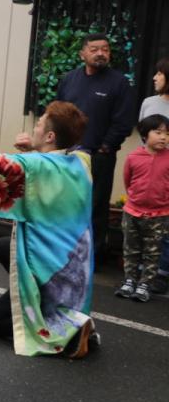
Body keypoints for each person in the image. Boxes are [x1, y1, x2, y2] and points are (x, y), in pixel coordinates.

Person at [0, 102, 96, 358]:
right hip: (77, 268)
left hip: (51, 271)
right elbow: (46, 162)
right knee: (3, 246)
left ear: (50, 136)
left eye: (39, 124)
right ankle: (35, 300)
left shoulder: (35, 166)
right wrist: (36, 148)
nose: (33, 128)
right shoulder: (81, 162)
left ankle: (68, 332)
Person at [54, 33, 136, 256]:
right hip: (67, 155)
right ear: (83, 54)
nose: (101, 53)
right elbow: (57, 113)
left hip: (98, 157)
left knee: (95, 207)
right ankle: (64, 252)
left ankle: (93, 256)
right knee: (65, 204)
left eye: (105, 49)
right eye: (94, 49)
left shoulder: (119, 82)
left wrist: (104, 148)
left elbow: (123, 122)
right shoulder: (69, 79)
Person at [115, 115, 169, 301]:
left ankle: (145, 284)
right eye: (158, 132)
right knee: (131, 248)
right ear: (145, 135)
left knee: (153, 251)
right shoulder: (133, 157)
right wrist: (135, 198)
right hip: (132, 211)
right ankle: (129, 280)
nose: (163, 137)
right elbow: (128, 180)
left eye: (167, 133)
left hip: (159, 214)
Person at [138, 59, 169, 294]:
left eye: (160, 73)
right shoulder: (149, 102)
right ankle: (142, 268)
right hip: (148, 166)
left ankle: (162, 272)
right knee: (146, 218)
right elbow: (141, 134)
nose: (155, 78)